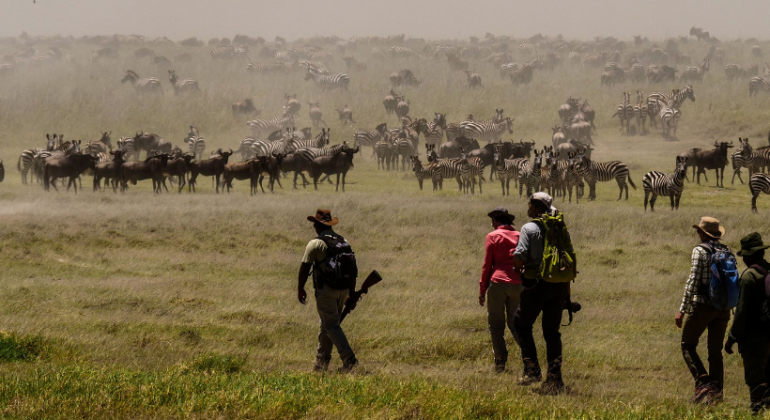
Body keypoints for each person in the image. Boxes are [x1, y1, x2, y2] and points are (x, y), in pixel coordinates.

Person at [513, 192, 570, 394]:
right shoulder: (559, 226)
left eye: (530, 204)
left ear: (536, 208)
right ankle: (555, 378)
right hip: (560, 286)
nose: (528, 208)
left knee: (521, 323)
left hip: (536, 285)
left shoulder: (529, 228)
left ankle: (532, 370)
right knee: (552, 333)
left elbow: (520, 254)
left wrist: (517, 266)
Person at [675, 217, 731, 404]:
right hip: (723, 308)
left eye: (698, 231)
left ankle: (703, 381)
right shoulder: (726, 250)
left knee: (687, 345)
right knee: (715, 351)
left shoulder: (699, 251)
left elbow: (693, 281)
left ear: (702, 233)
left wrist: (682, 310)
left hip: (703, 306)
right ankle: (717, 395)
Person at [297, 209, 358, 373]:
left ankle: (349, 360)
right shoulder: (344, 241)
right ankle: (320, 363)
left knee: (331, 325)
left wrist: (300, 289)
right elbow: (352, 270)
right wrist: (351, 293)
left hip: (326, 290)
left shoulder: (315, 243)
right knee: (327, 325)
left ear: (317, 225)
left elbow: (304, 268)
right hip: (343, 289)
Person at [725, 232, 770, 413]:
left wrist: (732, 337)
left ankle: (757, 412)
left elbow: (741, 312)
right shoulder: (769, 270)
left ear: (748, 256)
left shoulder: (749, 277)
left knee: (755, 378)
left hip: (755, 337)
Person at [479, 207, 521, 373]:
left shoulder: (492, 236)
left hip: (498, 282)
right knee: (516, 324)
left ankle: (500, 361)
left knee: (496, 325)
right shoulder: (520, 236)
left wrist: (482, 289)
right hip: (518, 284)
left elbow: (487, 264)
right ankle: (529, 360)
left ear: (495, 221)